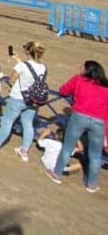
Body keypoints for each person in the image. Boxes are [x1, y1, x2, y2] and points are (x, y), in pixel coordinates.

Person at [45, 60, 108, 193]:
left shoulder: (79, 79)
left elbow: (63, 90)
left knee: (68, 147)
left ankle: (57, 173)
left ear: (86, 70)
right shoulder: (106, 88)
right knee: (95, 155)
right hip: (99, 121)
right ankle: (92, 184)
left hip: (80, 116)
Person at [0, 41, 47, 162]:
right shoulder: (43, 67)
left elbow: (11, 79)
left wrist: (19, 64)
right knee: (28, 124)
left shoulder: (22, 66)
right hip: (33, 100)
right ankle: (24, 151)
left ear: (27, 51)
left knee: (7, 122)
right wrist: (18, 60)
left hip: (18, 98)